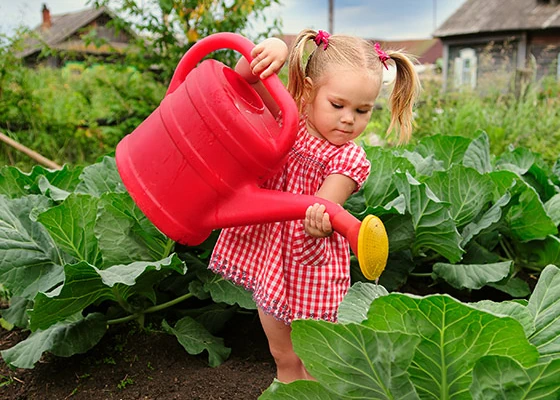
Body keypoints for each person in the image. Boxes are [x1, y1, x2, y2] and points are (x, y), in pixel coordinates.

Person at [209, 29, 420, 383]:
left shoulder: (350, 159)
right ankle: (288, 386)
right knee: (282, 353)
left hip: (311, 265)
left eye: (362, 110)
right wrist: (274, 50)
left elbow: (321, 206)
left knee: (314, 358)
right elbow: (244, 75)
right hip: (272, 258)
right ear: (308, 91)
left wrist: (320, 220)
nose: (349, 118)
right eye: (337, 105)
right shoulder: (288, 119)